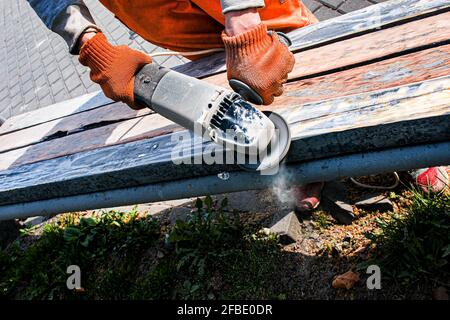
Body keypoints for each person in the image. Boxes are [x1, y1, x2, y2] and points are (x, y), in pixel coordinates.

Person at [28, 0, 448, 213]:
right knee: (223, 79)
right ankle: (305, 162)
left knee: (307, 53)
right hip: (156, 12)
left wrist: (242, 14)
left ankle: (398, 139)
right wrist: (89, 44)